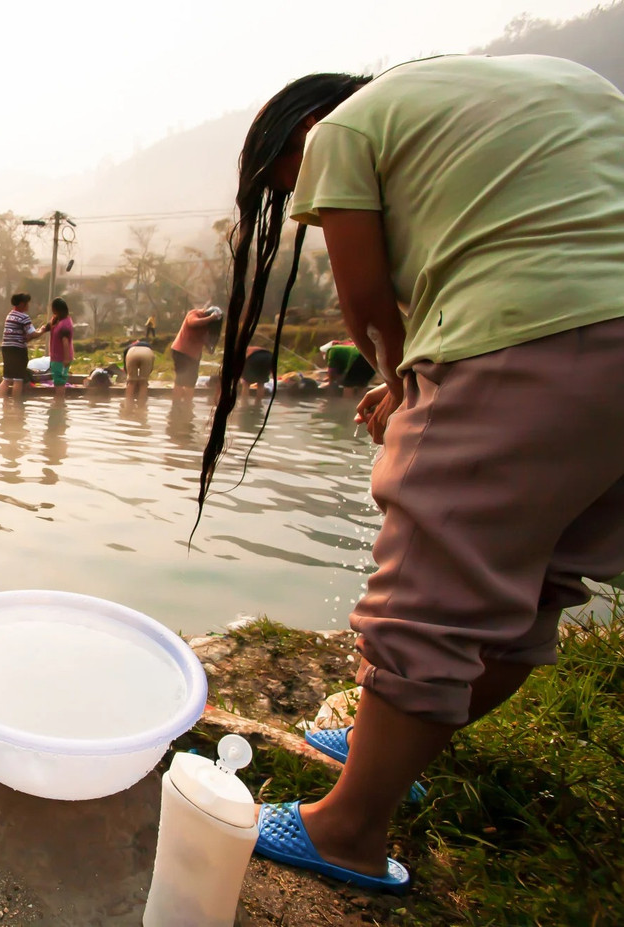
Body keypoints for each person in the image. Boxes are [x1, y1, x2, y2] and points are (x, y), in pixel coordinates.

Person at [194, 55, 624, 894]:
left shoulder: (345, 130)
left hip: (526, 331)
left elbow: (363, 300)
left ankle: (349, 827)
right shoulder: (561, 83)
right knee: (535, 583)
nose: (313, 210)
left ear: (301, 137)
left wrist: (400, 385)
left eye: (299, 191)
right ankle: (392, 757)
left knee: (426, 589)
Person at [169, 306, 222, 400]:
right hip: (181, 351)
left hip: (194, 355)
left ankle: (188, 405)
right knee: (181, 379)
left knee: (192, 380)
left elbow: (205, 339)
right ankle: (175, 405)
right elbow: (193, 323)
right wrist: (211, 318)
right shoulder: (195, 313)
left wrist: (209, 346)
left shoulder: (209, 324)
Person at [0, 293, 46, 399]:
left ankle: (3, 404)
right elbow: (33, 334)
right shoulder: (23, 317)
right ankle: (16, 409)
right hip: (17, 350)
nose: (28, 306)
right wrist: (43, 330)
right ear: (21, 304)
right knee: (18, 379)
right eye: (27, 303)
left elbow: (23, 335)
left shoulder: (10, 315)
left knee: (6, 379)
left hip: (6, 348)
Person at [43, 297, 74, 400]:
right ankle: (59, 403)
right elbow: (47, 327)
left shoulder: (65, 324)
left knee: (59, 382)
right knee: (58, 381)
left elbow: (65, 342)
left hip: (61, 358)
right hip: (57, 358)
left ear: (56, 309)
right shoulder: (57, 320)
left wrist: (66, 358)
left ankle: (59, 403)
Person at [122, 338, 155, 404]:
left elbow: (125, 365)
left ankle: (128, 404)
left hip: (132, 353)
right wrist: (145, 377)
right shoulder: (148, 345)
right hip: (147, 353)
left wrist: (129, 376)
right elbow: (151, 367)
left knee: (131, 382)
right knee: (143, 383)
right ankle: (141, 405)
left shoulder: (129, 347)